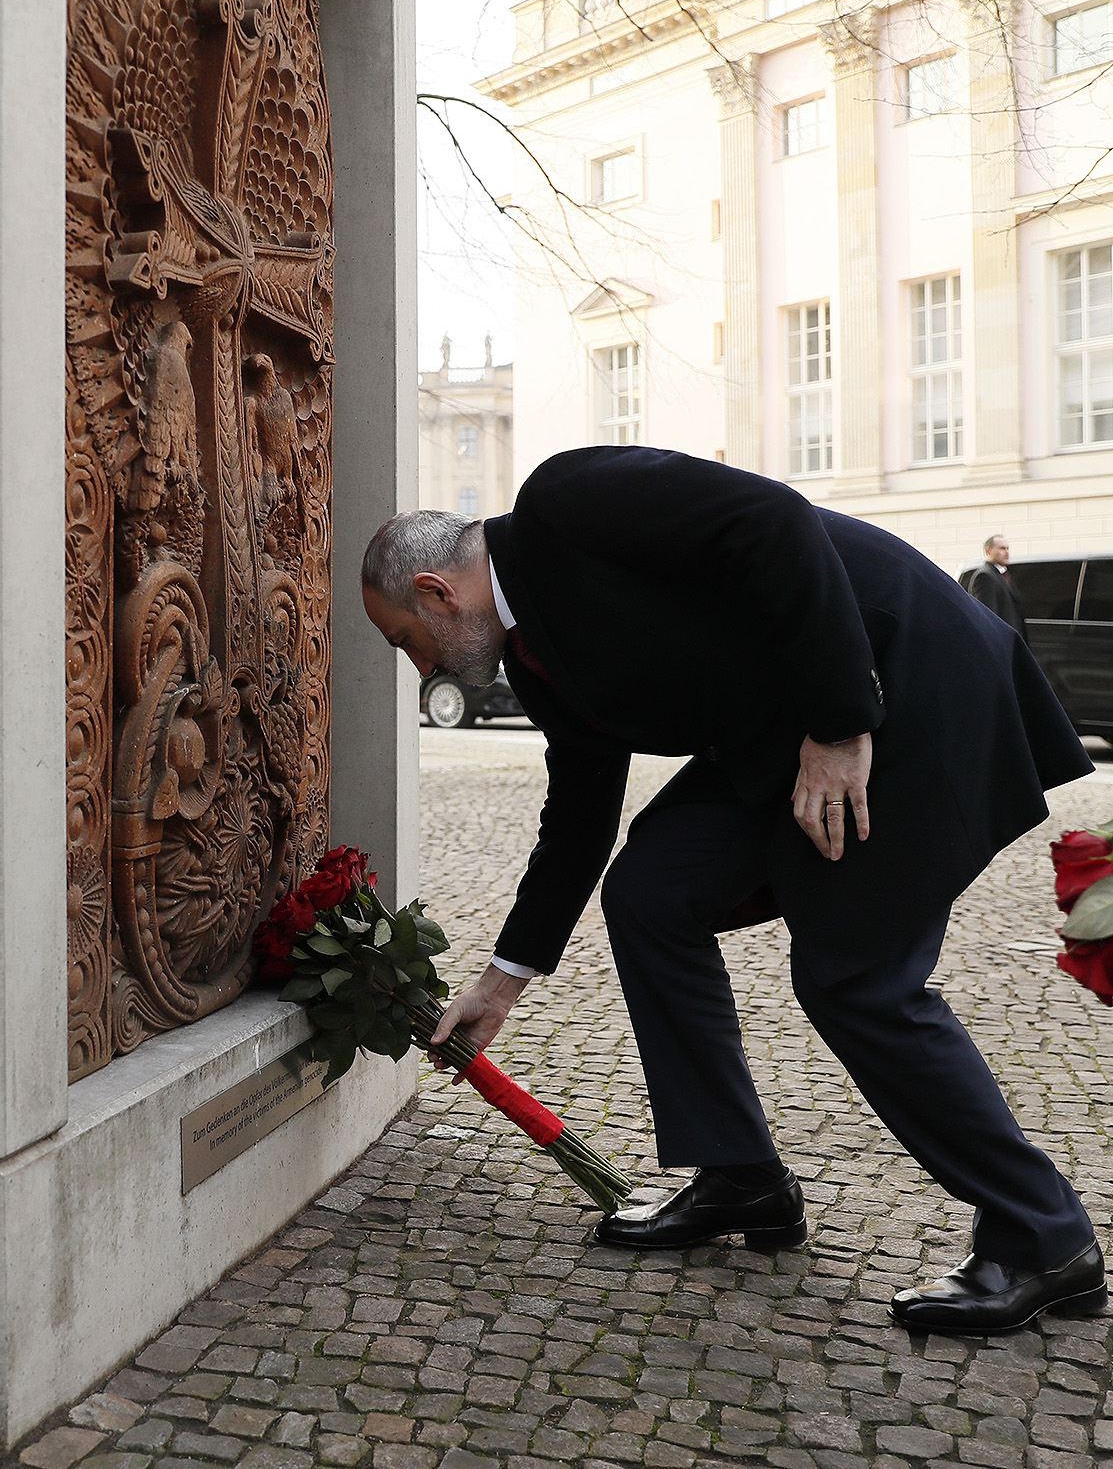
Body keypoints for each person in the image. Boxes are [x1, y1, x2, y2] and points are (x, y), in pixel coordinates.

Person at [361, 445, 1105, 1334]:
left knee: (855, 980)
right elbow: (580, 807)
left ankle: (1043, 1237)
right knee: (651, 891)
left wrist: (839, 724)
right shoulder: (531, 655)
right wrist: (503, 978)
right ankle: (742, 1176)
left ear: (437, 592)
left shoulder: (565, 501)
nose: (423, 671)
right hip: (778, 741)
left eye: (406, 642)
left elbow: (773, 520)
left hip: (897, 691)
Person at [967, 534, 1028, 641]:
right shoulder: (985, 576)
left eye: (1007, 548)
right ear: (988, 551)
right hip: (1002, 641)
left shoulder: (1004, 575)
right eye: (1002, 548)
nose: (1007, 552)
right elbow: (987, 617)